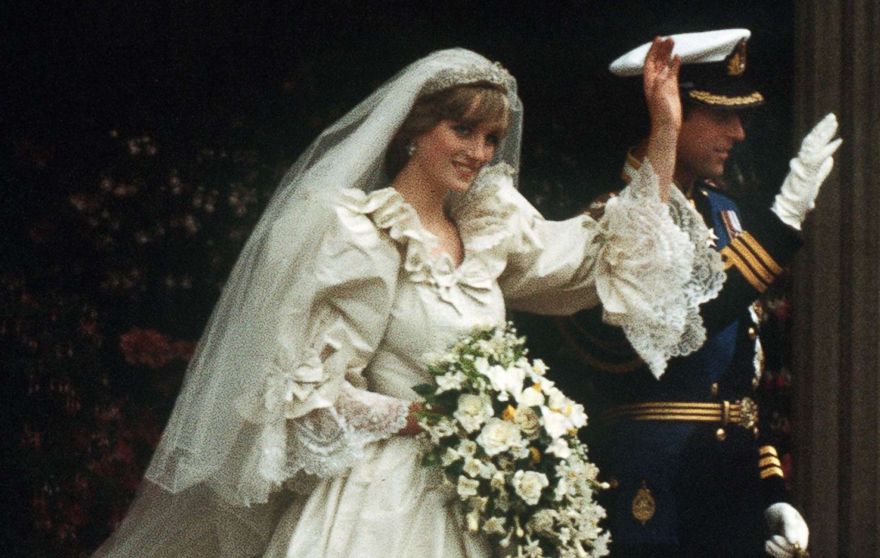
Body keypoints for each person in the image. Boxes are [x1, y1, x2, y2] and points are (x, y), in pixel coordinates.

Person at [94, 43, 721, 557]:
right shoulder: (362, 239)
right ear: (415, 131)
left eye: (490, 138)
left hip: (478, 502)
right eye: (463, 130)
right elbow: (310, 396)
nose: (478, 152)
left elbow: (604, 259)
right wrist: (438, 417)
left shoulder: (488, 224)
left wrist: (664, 127)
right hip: (380, 505)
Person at [526, 29, 840, 557]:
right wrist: (781, 224)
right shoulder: (612, 222)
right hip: (654, 489)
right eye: (722, 115)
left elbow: (739, 378)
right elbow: (669, 330)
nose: (739, 133)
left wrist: (769, 489)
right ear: (668, 112)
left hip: (729, 489)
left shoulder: (727, 216)